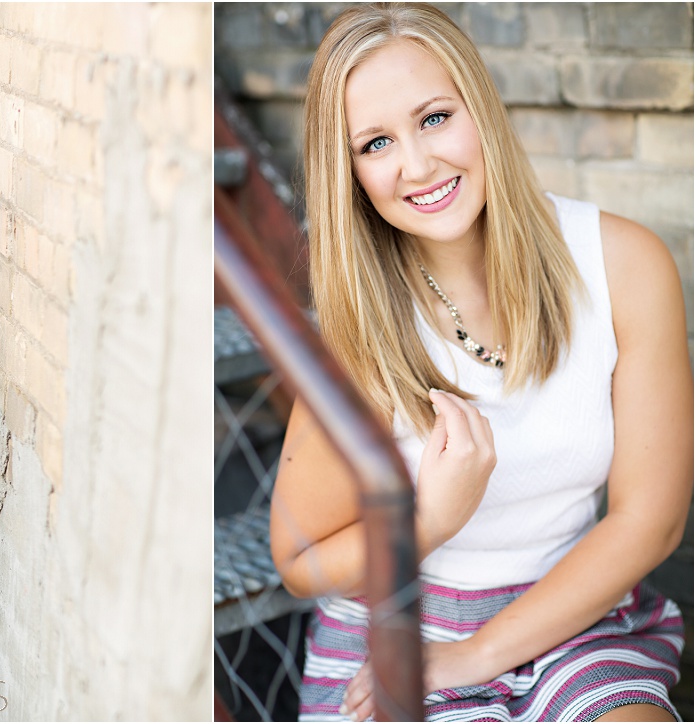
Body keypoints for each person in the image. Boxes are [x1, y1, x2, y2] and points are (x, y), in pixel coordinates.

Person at [268, 4, 693, 721]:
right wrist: (426, 520)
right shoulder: (362, 329)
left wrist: (477, 653)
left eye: (434, 117)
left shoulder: (624, 264)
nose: (418, 163)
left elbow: (649, 519)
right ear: (350, 174)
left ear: (481, 107)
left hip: (572, 611)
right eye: (375, 143)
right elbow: (300, 560)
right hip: (397, 625)